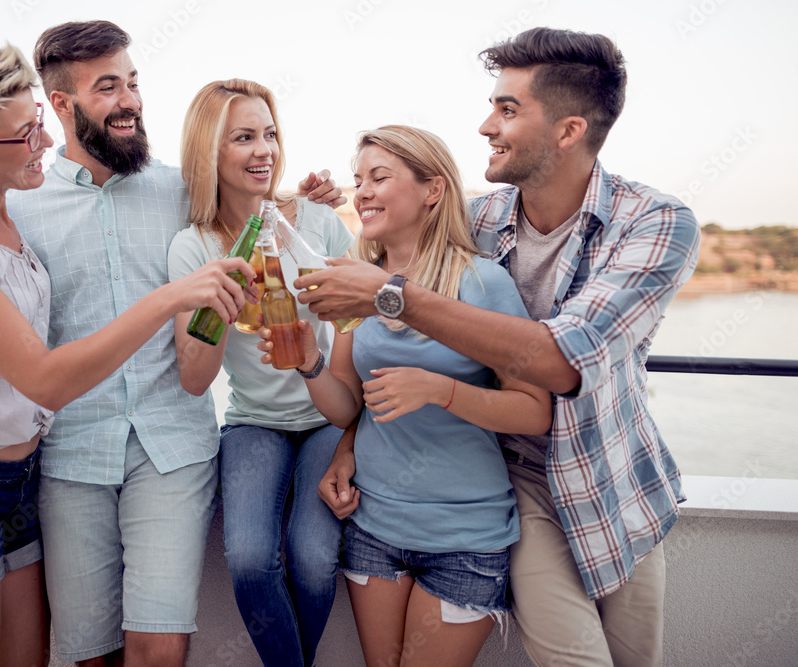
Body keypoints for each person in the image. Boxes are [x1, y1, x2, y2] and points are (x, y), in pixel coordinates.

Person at [0, 21, 345, 667]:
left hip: (169, 446)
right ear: (60, 104)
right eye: (106, 88)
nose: (129, 100)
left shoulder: (181, 189)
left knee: (157, 651)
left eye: (133, 82)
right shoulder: (18, 194)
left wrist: (308, 195)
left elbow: (248, 198)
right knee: (92, 654)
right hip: (68, 452)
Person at [297, 28, 702, 667]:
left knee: (635, 657)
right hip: (508, 476)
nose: (486, 124)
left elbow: (561, 362)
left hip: (606, 475)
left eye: (508, 109)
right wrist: (351, 440)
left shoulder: (655, 223)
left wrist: (388, 296)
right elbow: (391, 259)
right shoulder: (478, 220)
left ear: (568, 131)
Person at [258, 124, 552, 666]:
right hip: (373, 525)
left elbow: (534, 410)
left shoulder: (481, 283)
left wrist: (442, 391)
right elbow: (349, 407)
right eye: (357, 180)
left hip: (465, 536)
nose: (362, 191)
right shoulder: (355, 281)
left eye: (379, 178)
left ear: (432, 190)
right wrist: (309, 362)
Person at [167, 79, 353, 667]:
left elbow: (358, 323)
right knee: (249, 560)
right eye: (243, 138)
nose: (264, 150)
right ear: (209, 154)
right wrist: (222, 297)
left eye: (269, 135)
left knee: (314, 555)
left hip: (330, 415)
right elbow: (196, 381)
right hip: (253, 422)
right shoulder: (192, 246)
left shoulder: (317, 220)